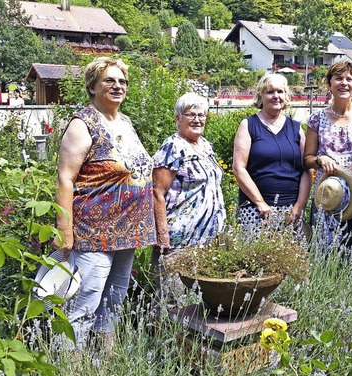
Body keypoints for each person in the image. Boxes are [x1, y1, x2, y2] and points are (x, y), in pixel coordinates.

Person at [55, 56, 156, 354]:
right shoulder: (83, 123)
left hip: (128, 233)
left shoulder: (125, 122)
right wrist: (65, 230)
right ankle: (70, 366)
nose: (118, 86)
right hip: (94, 232)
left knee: (113, 301)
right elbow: (65, 179)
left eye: (122, 81)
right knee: (84, 303)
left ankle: (105, 361)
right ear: (92, 86)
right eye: (109, 80)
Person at [151, 92, 226, 276]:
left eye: (201, 115)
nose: (197, 120)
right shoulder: (173, 146)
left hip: (209, 241)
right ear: (178, 118)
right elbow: (156, 192)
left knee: (203, 302)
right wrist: (162, 235)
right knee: (173, 301)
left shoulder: (205, 145)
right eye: (191, 114)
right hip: (180, 242)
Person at [303, 61, 352, 249]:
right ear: (329, 85)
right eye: (338, 78)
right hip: (327, 196)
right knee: (324, 255)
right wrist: (320, 159)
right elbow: (307, 159)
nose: (344, 83)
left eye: (349, 79)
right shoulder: (316, 119)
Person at [232, 73, 311, 230]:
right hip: (256, 210)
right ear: (261, 96)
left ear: (286, 95)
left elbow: (306, 169)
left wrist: (298, 207)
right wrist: (261, 203)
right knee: (256, 254)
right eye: (270, 92)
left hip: (291, 211)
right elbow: (238, 168)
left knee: (292, 254)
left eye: (280, 92)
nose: (276, 96)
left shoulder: (296, 128)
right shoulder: (248, 125)